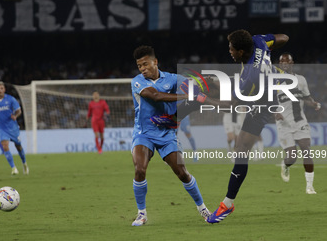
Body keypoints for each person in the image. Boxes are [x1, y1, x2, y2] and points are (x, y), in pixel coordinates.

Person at [152, 30, 289, 223]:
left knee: (241, 150)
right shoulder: (258, 42)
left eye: (232, 49)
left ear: (241, 52)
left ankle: (228, 203)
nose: (230, 52)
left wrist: (206, 99)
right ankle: (174, 118)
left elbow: (232, 105)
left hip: (261, 104)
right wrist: (268, 57)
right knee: (205, 87)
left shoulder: (250, 72)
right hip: (260, 88)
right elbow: (284, 37)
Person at [130, 45, 210, 226]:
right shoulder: (137, 81)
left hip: (166, 133)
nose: (142, 69)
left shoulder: (173, 79)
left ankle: (203, 208)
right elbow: (156, 96)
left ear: (155, 62)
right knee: (140, 169)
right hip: (144, 133)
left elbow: (193, 84)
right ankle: (141, 213)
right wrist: (185, 96)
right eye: (139, 66)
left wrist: (200, 85)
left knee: (182, 173)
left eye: (145, 64)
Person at [274, 53, 321, 194]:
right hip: (284, 125)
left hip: (300, 120)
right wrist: (275, 112)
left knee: (306, 151)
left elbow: (306, 97)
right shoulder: (274, 82)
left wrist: (313, 103)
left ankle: (309, 186)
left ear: (292, 63)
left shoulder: (301, 80)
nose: (285, 64)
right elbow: (268, 102)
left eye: (287, 62)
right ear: (280, 64)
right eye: (282, 62)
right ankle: (286, 164)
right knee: (292, 157)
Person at [0, 81, 29, 175]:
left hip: (12, 127)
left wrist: (15, 116)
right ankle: (13, 168)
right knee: (5, 146)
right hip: (1, 128)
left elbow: (19, 111)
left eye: (2, 88)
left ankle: (24, 163)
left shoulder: (10, 99)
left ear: (4, 90)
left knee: (18, 146)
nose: (0, 90)